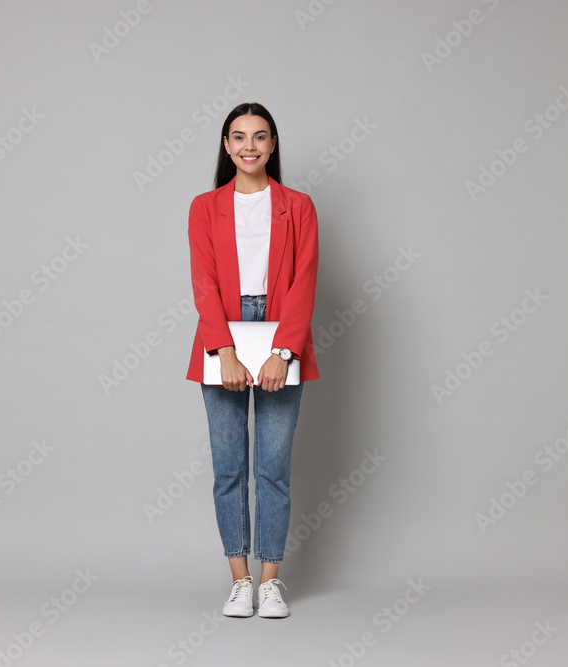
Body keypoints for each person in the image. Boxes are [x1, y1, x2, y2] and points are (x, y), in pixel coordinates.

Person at [185, 102, 320, 619]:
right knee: (228, 468)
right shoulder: (204, 206)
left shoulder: (298, 206)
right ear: (225, 146)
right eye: (238, 137)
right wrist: (225, 351)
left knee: (273, 468)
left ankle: (271, 580)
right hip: (222, 329)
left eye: (260, 137)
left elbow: (304, 279)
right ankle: (239, 580)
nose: (249, 146)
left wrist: (283, 352)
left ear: (273, 144)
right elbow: (204, 282)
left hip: (282, 327)